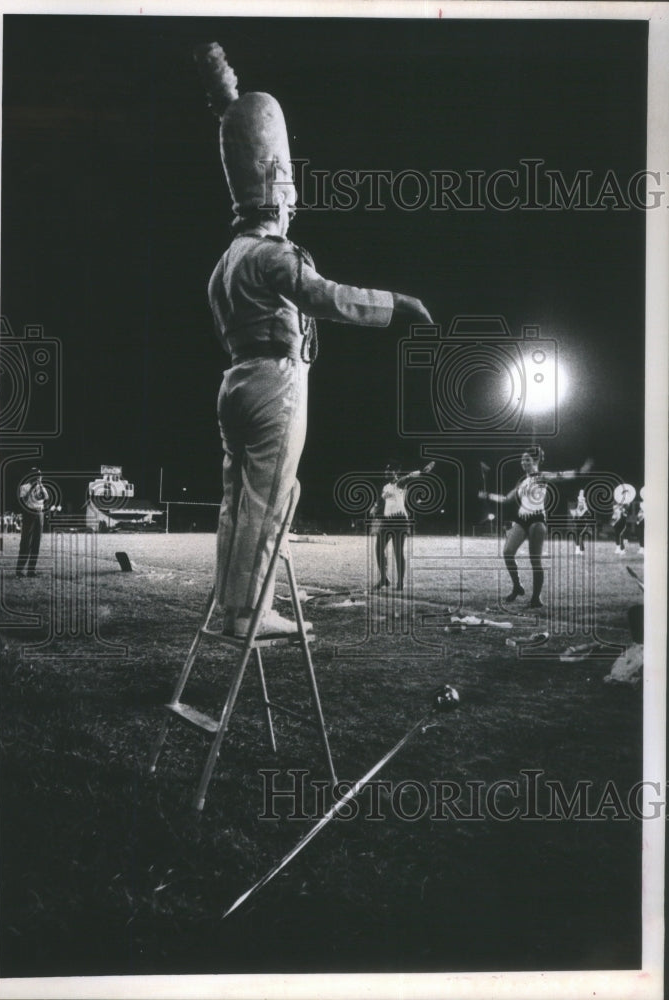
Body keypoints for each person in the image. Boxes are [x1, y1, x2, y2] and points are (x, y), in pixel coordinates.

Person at [197, 44, 433, 637]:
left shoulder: (226, 260)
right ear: (277, 190)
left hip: (235, 381)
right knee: (268, 499)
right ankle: (250, 612)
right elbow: (323, 295)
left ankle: (230, 603)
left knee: (239, 501)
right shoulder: (273, 255)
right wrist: (395, 305)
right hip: (276, 381)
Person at [479, 446, 592, 609]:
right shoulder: (522, 482)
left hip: (537, 519)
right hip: (521, 519)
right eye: (522, 459)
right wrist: (488, 495)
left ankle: (536, 598)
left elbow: (560, 475)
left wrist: (580, 471)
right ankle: (517, 586)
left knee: (535, 560)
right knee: (507, 552)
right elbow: (505, 498)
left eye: (527, 459)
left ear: (536, 460)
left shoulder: (541, 476)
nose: (523, 462)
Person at [371, 460, 435, 591]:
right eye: (385, 470)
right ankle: (384, 579)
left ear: (395, 472)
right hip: (387, 521)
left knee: (398, 551)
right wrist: (375, 507)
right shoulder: (385, 487)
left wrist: (422, 472)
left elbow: (410, 477)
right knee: (378, 549)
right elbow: (381, 500)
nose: (386, 472)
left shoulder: (399, 483)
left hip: (400, 520)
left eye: (389, 470)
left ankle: (400, 582)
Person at [15, 467, 48, 578]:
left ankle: (31, 570)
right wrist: (31, 488)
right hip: (29, 513)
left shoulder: (41, 487)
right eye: (36, 474)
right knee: (26, 542)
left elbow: (46, 497)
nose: (38, 476)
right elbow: (23, 501)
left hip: (39, 513)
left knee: (36, 543)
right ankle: (20, 570)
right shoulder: (24, 487)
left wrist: (41, 486)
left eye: (40, 475)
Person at [570, 488, 594, 554]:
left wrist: (583, 512)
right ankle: (578, 549)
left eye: (582, 501)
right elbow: (574, 516)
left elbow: (588, 515)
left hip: (583, 523)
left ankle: (582, 549)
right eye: (579, 501)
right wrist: (574, 515)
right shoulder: (577, 507)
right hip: (577, 523)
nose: (580, 502)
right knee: (576, 536)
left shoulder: (586, 509)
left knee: (580, 535)